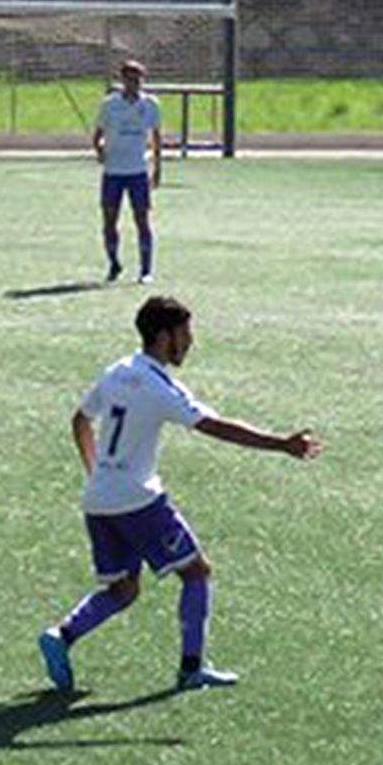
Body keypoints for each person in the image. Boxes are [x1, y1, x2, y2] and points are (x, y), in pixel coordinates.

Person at [38, 297, 324, 696]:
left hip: (99, 499)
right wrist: (282, 444)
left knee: (123, 590)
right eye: (184, 334)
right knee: (197, 573)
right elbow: (214, 425)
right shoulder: (159, 386)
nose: (189, 342)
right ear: (162, 336)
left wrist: (96, 473)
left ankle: (61, 635)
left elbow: (81, 419)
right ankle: (192, 668)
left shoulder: (118, 371)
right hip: (138, 501)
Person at [93, 60, 163, 284]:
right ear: (122, 80)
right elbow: (98, 134)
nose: (134, 83)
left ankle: (146, 269)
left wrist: (157, 168)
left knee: (142, 219)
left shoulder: (150, 104)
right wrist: (100, 150)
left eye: (138, 79)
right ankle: (113, 262)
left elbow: (156, 137)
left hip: (137, 171)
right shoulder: (110, 104)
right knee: (109, 219)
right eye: (130, 79)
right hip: (114, 171)